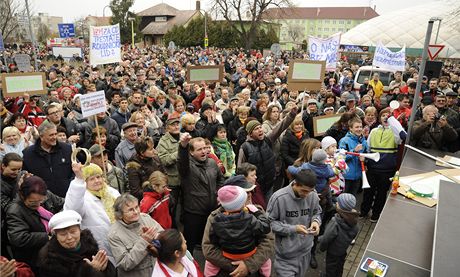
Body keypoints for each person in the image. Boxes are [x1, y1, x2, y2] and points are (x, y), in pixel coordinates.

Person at [204, 185, 272, 277]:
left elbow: (268, 242)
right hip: (241, 265)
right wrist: (241, 267)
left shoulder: (216, 220)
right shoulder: (251, 217)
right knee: (266, 263)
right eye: (246, 192)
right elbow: (208, 249)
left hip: (229, 259)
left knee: (210, 266)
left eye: (251, 192)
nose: (250, 195)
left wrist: (247, 265)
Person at [267, 169, 322, 277]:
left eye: (310, 191)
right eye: (304, 191)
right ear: (295, 184)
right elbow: (270, 224)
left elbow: (317, 212)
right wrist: (293, 229)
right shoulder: (279, 198)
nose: (307, 195)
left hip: (306, 252)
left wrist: (316, 222)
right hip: (286, 256)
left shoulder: (312, 194)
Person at [6, 176, 63, 274]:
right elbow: (18, 238)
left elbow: (64, 204)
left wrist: (60, 220)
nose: (38, 205)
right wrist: (48, 237)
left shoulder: (46, 195)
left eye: (41, 201)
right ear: (22, 196)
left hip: (56, 253)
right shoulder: (15, 211)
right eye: (32, 202)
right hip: (35, 258)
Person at [178, 135, 225, 254]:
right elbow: (182, 160)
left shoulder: (212, 163)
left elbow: (220, 179)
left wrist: (219, 193)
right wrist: (183, 147)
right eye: (199, 149)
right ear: (191, 152)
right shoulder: (187, 166)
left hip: (212, 210)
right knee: (190, 244)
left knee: (212, 241)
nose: (204, 151)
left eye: (205, 148)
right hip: (194, 212)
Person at [238, 106, 297, 200]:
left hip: (269, 183)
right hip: (255, 186)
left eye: (260, 127)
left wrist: (291, 115)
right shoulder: (245, 147)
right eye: (256, 129)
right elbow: (240, 169)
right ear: (250, 133)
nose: (260, 130)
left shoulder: (267, 140)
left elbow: (280, 127)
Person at [64, 163, 121, 261]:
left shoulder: (112, 192)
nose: (97, 181)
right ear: (85, 182)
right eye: (92, 179)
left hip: (120, 242)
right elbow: (73, 210)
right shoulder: (82, 198)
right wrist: (78, 179)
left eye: (98, 177)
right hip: (100, 247)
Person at [38, 210, 117, 277]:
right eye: (63, 234)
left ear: (80, 230)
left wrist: (104, 269)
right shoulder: (49, 261)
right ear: (56, 236)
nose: (69, 237)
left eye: (73, 232)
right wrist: (90, 271)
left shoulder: (89, 245)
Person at [361, 108, 407, 222]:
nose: (385, 118)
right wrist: (365, 159)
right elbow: (368, 147)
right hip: (372, 168)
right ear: (379, 118)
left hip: (387, 170)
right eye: (383, 115)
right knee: (368, 192)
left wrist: (394, 123)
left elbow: (403, 137)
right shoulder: (374, 131)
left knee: (381, 194)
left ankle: (376, 214)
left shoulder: (395, 132)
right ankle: (363, 212)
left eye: (388, 116)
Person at [108, 193, 164, 277]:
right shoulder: (114, 234)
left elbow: (164, 237)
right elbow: (125, 264)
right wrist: (144, 241)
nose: (136, 212)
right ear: (120, 215)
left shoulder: (145, 218)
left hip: (156, 272)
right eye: (130, 210)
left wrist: (155, 238)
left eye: (137, 207)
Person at [22, 121, 73, 197]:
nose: (55, 137)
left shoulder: (67, 149)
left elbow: (75, 170)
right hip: (43, 199)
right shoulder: (28, 154)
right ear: (41, 137)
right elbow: (25, 175)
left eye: (55, 134)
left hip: (67, 196)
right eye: (51, 135)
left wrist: (70, 184)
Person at [318, 193, 359, 277]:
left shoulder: (335, 221)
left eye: (337, 203)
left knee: (330, 268)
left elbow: (327, 238)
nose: (336, 203)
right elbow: (354, 233)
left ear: (341, 207)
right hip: (342, 250)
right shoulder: (354, 220)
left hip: (333, 251)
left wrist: (321, 248)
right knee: (339, 266)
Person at [156, 115, 181, 226]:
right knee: (173, 209)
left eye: (177, 124)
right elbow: (164, 160)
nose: (176, 127)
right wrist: (180, 151)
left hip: (186, 178)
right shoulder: (163, 142)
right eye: (173, 125)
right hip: (173, 181)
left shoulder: (183, 136)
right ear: (167, 128)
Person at [339, 117, 369, 196]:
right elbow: (341, 158)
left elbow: (366, 156)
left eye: (360, 127)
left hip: (358, 177)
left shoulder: (364, 142)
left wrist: (364, 159)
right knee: (343, 199)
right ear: (350, 129)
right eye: (356, 127)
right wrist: (354, 151)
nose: (359, 129)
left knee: (352, 198)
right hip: (346, 176)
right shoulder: (344, 141)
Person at [1, 153, 24, 258]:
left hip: (24, 224)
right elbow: (10, 209)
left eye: (19, 169)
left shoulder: (21, 176)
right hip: (6, 230)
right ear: (3, 166)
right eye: (13, 169)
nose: (17, 172)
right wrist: (20, 190)